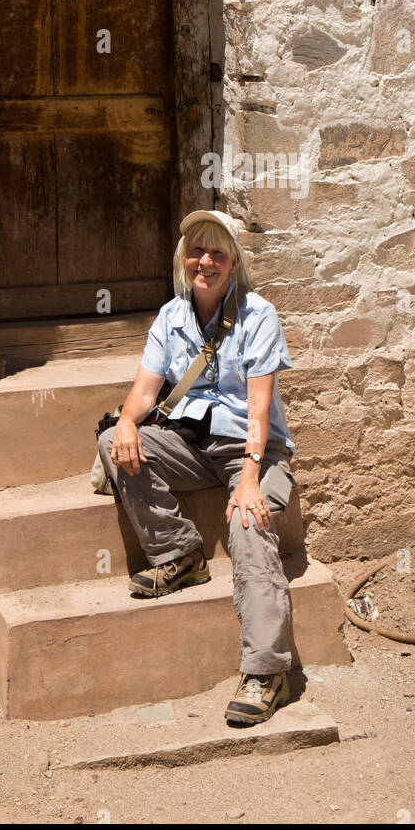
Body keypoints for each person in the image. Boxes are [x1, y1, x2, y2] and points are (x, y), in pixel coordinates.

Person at [97, 209, 297, 726]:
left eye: (217, 253)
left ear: (234, 263)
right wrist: (125, 424)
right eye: (196, 252)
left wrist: (250, 478)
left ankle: (265, 672)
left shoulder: (259, 316)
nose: (205, 262)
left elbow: (258, 411)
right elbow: (145, 391)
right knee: (113, 442)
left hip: (253, 451)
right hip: (193, 444)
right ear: (183, 259)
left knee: (249, 523)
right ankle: (181, 554)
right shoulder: (171, 316)